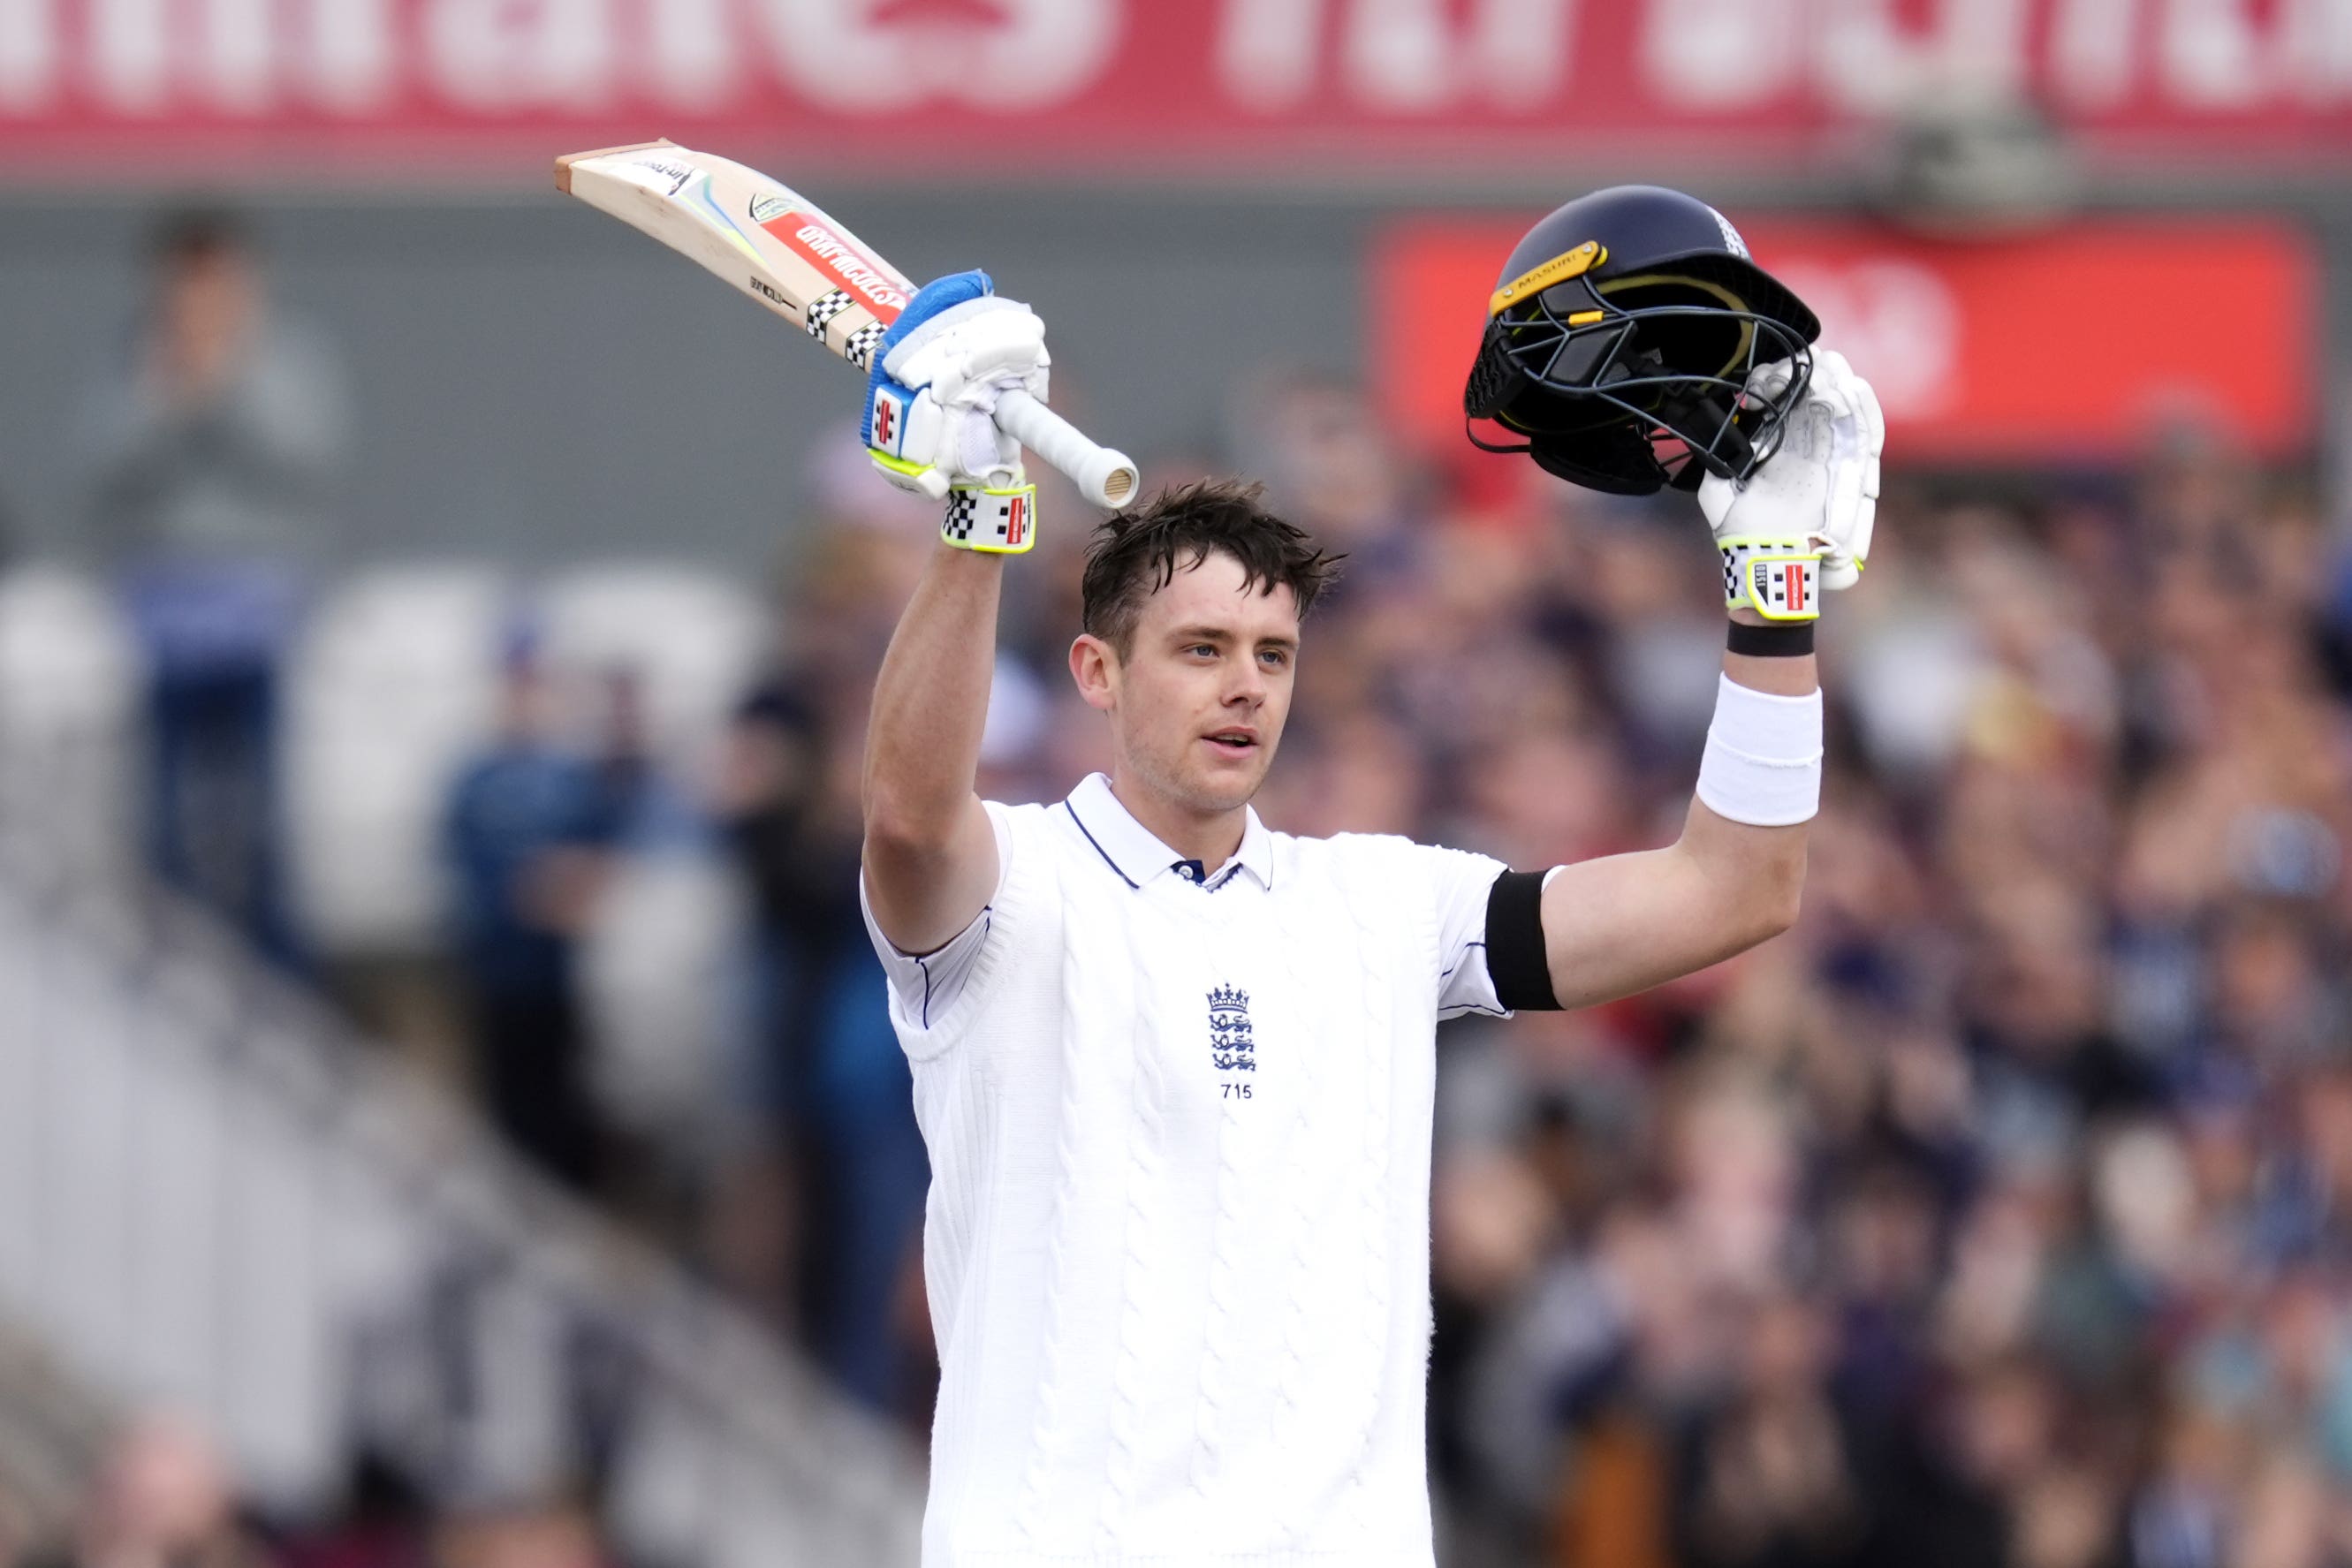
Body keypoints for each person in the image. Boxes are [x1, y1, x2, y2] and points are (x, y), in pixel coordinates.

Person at [854, 188, 1882, 1564]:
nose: (1242, 688)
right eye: (1199, 648)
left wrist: (1771, 591)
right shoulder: (1011, 886)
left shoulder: (1386, 909)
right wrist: (978, 521)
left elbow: (1736, 888)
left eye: (1270, 656)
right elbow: (911, 819)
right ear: (1095, 671)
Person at [77, 209, 351, 962]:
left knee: (259, 821)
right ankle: (170, 980)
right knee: (166, 820)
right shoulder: (135, 359)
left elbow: (303, 462)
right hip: (165, 614)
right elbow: (107, 472)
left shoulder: (287, 358)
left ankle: (277, 979)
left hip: (256, 613)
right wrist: (170, 391)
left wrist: (225, 378)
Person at [442, 634, 612, 1193]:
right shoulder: (475, 780)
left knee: (566, 1105)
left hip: (562, 976)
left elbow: (598, 864)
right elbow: (464, 868)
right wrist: (529, 893)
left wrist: (564, 893)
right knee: (506, 1106)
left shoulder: (572, 779)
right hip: (500, 973)